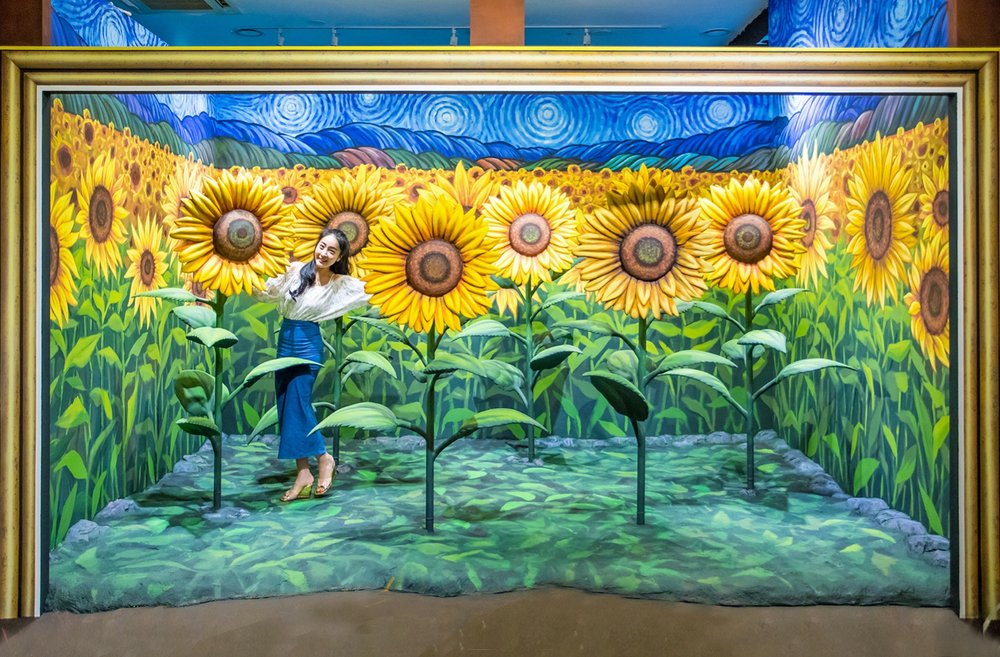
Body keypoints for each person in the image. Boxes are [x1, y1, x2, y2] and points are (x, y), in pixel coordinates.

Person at [255, 227, 370, 502]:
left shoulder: (339, 283)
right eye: (322, 246)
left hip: (308, 343)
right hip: (285, 340)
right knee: (286, 404)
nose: (324, 253)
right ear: (316, 246)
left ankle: (324, 458)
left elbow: (369, 293)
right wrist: (237, 278)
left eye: (332, 250)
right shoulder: (296, 271)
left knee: (298, 401)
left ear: (339, 256)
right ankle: (304, 472)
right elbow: (267, 292)